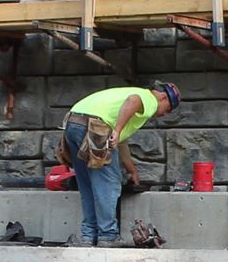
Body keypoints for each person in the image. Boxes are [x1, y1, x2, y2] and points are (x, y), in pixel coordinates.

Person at [59, 82, 178, 245]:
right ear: (163, 97)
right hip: (96, 126)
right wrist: (116, 130)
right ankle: (108, 235)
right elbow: (134, 100)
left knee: (87, 184)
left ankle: (88, 235)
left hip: (73, 122)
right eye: (168, 109)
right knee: (109, 183)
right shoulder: (149, 98)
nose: (164, 114)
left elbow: (121, 143)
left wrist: (132, 170)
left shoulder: (123, 100)